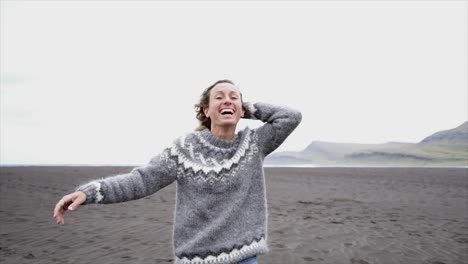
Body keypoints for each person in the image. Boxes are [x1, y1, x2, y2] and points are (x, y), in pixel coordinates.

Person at [53, 79, 302, 264]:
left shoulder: (254, 143)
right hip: (196, 257)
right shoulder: (185, 150)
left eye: (233, 97)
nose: (227, 100)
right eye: (219, 97)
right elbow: (142, 180)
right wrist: (91, 192)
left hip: (245, 256)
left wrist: (247, 107)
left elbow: (290, 117)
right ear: (206, 110)